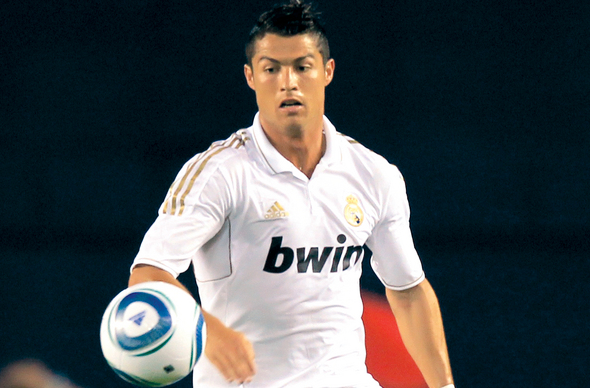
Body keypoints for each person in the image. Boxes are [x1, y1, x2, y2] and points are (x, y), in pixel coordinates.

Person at [129, 1, 455, 387]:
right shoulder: (218, 173)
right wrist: (206, 328)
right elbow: (147, 274)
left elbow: (408, 291)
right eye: (271, 69)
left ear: (327, 71)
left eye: (302, 66)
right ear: (250, 77)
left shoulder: (373, 174)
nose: (288, 82)